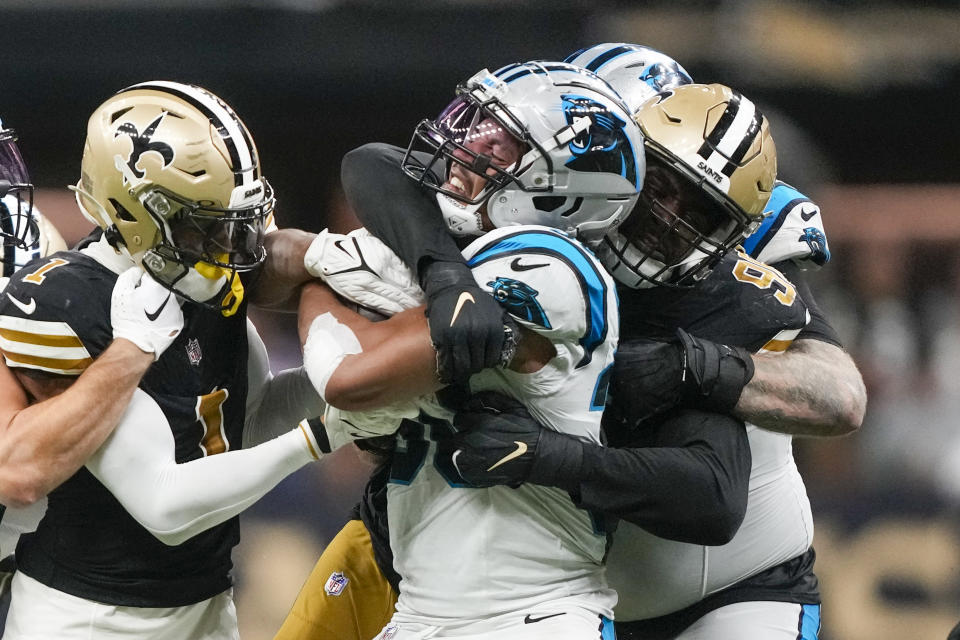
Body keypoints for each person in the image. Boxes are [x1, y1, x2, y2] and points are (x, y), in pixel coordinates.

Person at [295, 60, 659, 639]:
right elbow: (371, 165)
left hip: (529, 616)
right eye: (476, 127)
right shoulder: (463, 250)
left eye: (499, 146)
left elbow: (347, 377)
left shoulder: (551, 266)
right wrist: (439, 272)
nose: (466, 149)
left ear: (561, 191)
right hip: (423, 612)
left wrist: (317, 280)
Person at [0, 82, 328, 640]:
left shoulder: (200, 280)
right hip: (94, 614)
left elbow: (245, 426)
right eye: (206, 224)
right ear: (137, 212)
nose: (231, 243)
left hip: (203, 596)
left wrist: (349, 376)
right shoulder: (66, 301)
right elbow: (153, 502)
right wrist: (326, 434)